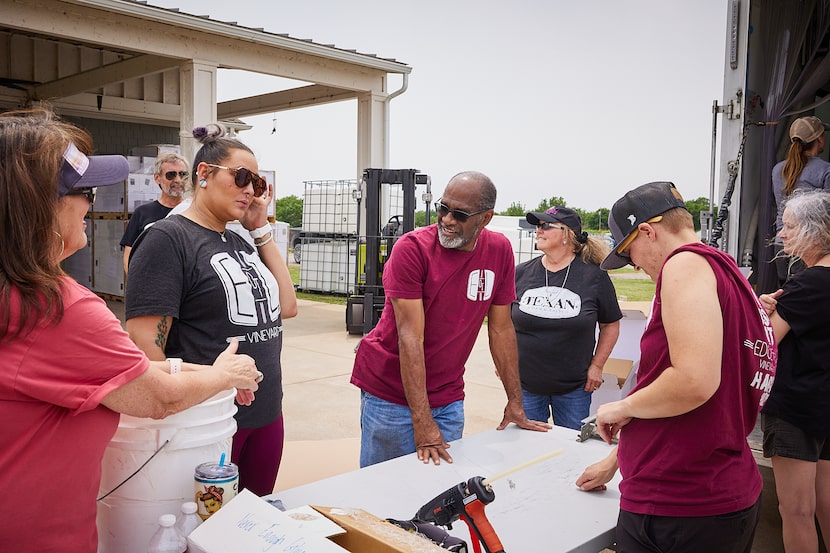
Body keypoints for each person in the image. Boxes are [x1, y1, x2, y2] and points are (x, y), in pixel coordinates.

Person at [0, 108, 261, 553]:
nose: (94, 201)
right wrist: (225, 376)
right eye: (84, 191)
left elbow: (127, 371)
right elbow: (154, 395)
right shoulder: (58, 308)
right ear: (38, 204)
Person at [574, 181, 777, 553]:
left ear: (648, 231)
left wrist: (621, 406)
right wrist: (617, 460)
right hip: (719, 488)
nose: (634, 264)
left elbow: (694, 381)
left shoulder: (683, 265)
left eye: (629, 252)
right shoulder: (726, 271)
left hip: (680, 503)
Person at [125, 123, 298, 496]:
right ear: (204, 174)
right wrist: (182, 406)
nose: (250, 190)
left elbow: (287, 305)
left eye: (257, 182)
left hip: (267, 413)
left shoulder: (238, 240)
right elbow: (145, 346)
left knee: (250, 522)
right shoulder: (167, 238)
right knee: (203, 530)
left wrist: (259, 230)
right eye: (241, 177)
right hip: (208, 420)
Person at [350, 171, 551, 468]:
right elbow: (410, 337)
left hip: (447, 396)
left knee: (438, 497)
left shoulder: (498, 250)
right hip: (389, 395)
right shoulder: (412, 249)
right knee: (384, 495)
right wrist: (422, 421)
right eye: (443, 208)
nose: (447, 220)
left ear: (486, 218)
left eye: (459, 214)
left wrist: (515, 401)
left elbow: (501, 328)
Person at [758, 190, 830, 553]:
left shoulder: (808, 283)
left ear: (814, 230)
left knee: (797, 510)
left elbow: (764, 342)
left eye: (788, 227)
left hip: (796, 410)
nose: (782, 235)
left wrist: (758, 309)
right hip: (824, 406)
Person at [512, 206, 621, 430]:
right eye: (537, 226)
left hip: (574, 389)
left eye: (545, 226)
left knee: (572, 452)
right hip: (525, 385)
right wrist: (505, 360)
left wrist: (597, 366)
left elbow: (610, 324)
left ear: (568, 235)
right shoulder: (521, 273)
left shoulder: (595, 276)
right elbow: (504, 322)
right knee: (526, 450)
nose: (538, 231)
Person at [771, 115, 830, 285]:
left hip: (782, 243)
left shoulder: (778, 169)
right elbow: (827, 216)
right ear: (819, 138)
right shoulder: (825, 170)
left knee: (789, 293)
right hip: (808, 246)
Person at [120, 151, 189, 274]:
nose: (178, 180)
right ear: (157, 178)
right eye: (171, 175)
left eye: (183, 174)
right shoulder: (142, 213)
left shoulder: (194, 211)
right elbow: (129, 256)